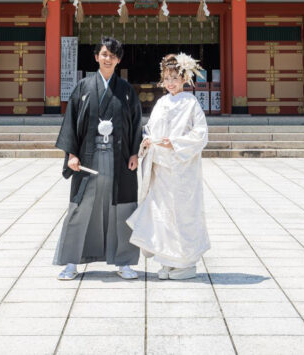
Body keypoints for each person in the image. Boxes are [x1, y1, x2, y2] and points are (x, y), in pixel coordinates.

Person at [54, 36, 143, 280]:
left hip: (120, 160)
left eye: (113, 55)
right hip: (88, 160)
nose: (108, 59)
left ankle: (124, 261)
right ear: (96, 57)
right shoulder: (83, 87)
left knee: (123, 209)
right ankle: (71, 262)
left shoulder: (125, 90)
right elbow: (71, 122)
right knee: (80, 208)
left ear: (118, 60)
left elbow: (136, 123)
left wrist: (135, 152)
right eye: (104, 54)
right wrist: (71, 154)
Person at [127, 53, 211, 280]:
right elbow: (151, 129)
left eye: (174, 77)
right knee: (161, 214)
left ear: (184, 78)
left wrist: (174, 143)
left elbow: (201, 135)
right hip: (160, 168)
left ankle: (184, 262)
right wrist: (146, 142)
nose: (170, 82)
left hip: (182, 169)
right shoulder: (161, 103)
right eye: (166, 78)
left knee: (181, 214)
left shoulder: (191, 102)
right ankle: (167, 261)